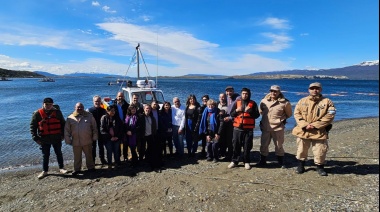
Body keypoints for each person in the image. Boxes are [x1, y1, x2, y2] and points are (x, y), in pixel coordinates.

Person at [292, 82, 336, 176]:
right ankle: (301, 166)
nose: (314, 90)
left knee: (320, 151)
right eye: (312, 88)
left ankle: (320, 167)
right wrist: (304, 124)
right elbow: (296, 113)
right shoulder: (302, 101)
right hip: (303, 130)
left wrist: (315, 125)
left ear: (320, 90)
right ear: (309, 90)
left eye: (317, 88)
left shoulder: (327, 102)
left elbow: (330, 116)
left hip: (319, 131)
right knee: (301, 150)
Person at [30, 97, 67, 179]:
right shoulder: (37, 113)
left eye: (50, 104)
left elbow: (63, 124)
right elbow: (33, 127)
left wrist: (63, 135)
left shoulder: (57, 112)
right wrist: (36, 138)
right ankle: (45, 171)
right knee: (45, 155)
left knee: (59, 153)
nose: (48, 106)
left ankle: (61, 168)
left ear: (52, 104)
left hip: (56, 137)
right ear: (43, 104)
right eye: (46, 104)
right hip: (44, 139)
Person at [258, 85, 292, 168]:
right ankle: (262, 161)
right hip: (266, 127)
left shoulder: (285, 102)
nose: (273, 93)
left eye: (275, 91)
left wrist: (280, 121)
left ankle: (280, 162)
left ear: (279, 92)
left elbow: (289, 114)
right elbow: (261, 111)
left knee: (279, 145)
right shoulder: (264, 101)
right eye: (271, 91)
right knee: (263, 145)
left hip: (278, 128)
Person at [228, 88, 260, 170]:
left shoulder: (253, 103)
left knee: (247, 146)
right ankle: (234, 161)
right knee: (236, 145)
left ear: (249, 94)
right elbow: (231, 114)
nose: (244, 95)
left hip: (248, 129)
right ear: (241, 94)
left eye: (246, 94)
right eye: (243, 93)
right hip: (237, 128)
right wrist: (236, 110)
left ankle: (246, 161)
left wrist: (250, 111)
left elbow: (257, 115)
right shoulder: (237, 103)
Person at [64, 102, 97, 176]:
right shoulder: (70, 118)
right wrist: (68, 140)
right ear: (75, 108)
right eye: (78, 107)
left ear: (83, 107)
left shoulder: (89, 116)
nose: (80, 108)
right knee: (77, 157)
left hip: (87, 140)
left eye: (81, 107)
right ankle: (77, 169)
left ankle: (91, 168)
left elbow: (94, 127)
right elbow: (67, 130)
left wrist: (95, 136)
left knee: (89, 155)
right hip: (76, 142)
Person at [100, 105, 124, 170]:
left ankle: (117, 163)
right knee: (109, 151)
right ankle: (109, 164)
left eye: (114, 111)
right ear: (107, 111)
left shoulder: (117, 118)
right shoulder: (104, 118)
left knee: (116, 151)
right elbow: (102, 130)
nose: (113, 112)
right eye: (111, 111)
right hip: (108, 139)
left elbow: (121, 129)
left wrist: (117, 137)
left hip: (116, 138)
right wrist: (110, 137)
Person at [141, 104, 162, 171]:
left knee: (150, 149)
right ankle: (141, 160)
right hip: (143, 136)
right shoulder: (141, 117)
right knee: (142, 149)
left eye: (149, 109)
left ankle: (149, 160)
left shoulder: (152, 118)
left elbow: (154, 127)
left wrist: (154, 134)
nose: (148, 110)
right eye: (146, 108)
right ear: (144, 109)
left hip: (150, 135)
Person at [87, 95, 108, 165]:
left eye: (99, 101)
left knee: (101, 146)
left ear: (100, 102)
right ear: (93, 102)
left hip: (101, 131)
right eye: (96, 101)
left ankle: (102, 159)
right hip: (92, 131)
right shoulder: (89, 110)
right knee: (93, 147)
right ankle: (93, 160)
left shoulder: (104, 110)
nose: (97, 102)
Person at [223, 86, 240, 161]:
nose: (229, 93)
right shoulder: (227, 98)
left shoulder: (237, 98)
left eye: (230, 91)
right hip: (228, 122)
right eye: (227, 91)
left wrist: (230, 118)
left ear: (233, 91)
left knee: (234, 140)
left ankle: (234, 155)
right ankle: (230, 154)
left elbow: (238, 112)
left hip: (234, 121)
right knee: (228, 139)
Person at [113, 92, 129, 162]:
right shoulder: (113, 105)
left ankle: (125, 156)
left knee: (125, 143)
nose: (120, 98)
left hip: (125, 127)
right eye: (119, 96)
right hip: (117, 127)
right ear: (117, 97)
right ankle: (118, 157)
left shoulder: (127, 105)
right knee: (118, 143)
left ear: (124, 97)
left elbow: (129, 115)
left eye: (122, 96)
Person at [217, 92, 228, 159]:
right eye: (220, 97)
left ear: (226, 97)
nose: (222, 98)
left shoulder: (228, 105)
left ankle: (223, 152)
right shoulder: (216, 104)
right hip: (218, 124)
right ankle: (219, 152)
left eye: (223, 97)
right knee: (219, 138)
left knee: (224, 139)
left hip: (226, 125)